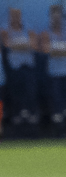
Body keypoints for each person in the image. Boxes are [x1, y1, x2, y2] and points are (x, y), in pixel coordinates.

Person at [39, 4, 66, 137]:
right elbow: (45, 50)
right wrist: (65, 50)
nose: (56, 19)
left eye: (58, 16)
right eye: (54, 16)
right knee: (56, 102)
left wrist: (55, 50)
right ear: (50, 17)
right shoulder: (46, 33)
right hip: (54, 74)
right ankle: (59, 131)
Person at [1, 8, 40, 138]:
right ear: (10, 17)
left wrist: (17, 45)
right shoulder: (5, 30)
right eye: (13, 15)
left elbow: (34, 45)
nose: (16, 18)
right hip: (15, 69)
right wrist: (25, 45)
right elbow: (7, 44)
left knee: (30, 95)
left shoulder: (28, 29)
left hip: (28, 68)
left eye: (18, 15)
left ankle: (32, 126)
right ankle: (17, 127)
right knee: (17, 96)